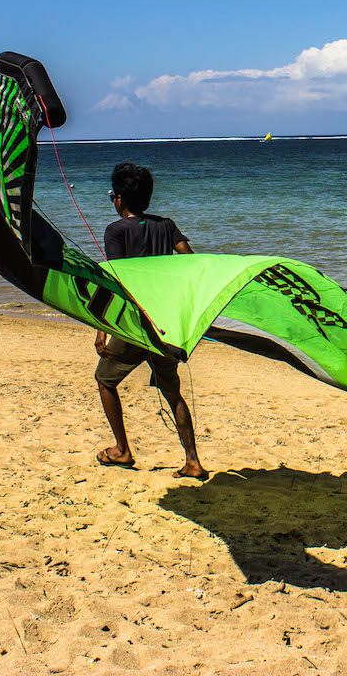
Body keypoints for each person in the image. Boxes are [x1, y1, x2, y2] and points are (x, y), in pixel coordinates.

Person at [93, 162, 206, 479]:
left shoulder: (116, 231)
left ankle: (122, 450)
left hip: (132, 326)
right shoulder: (166, 226)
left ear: (119, 199)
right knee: (173, 394)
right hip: (164, 327)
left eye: (112, 195)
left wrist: (101, 330)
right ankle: (193, 461)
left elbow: (117, 282)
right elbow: (192, 262)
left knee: (105, 380)